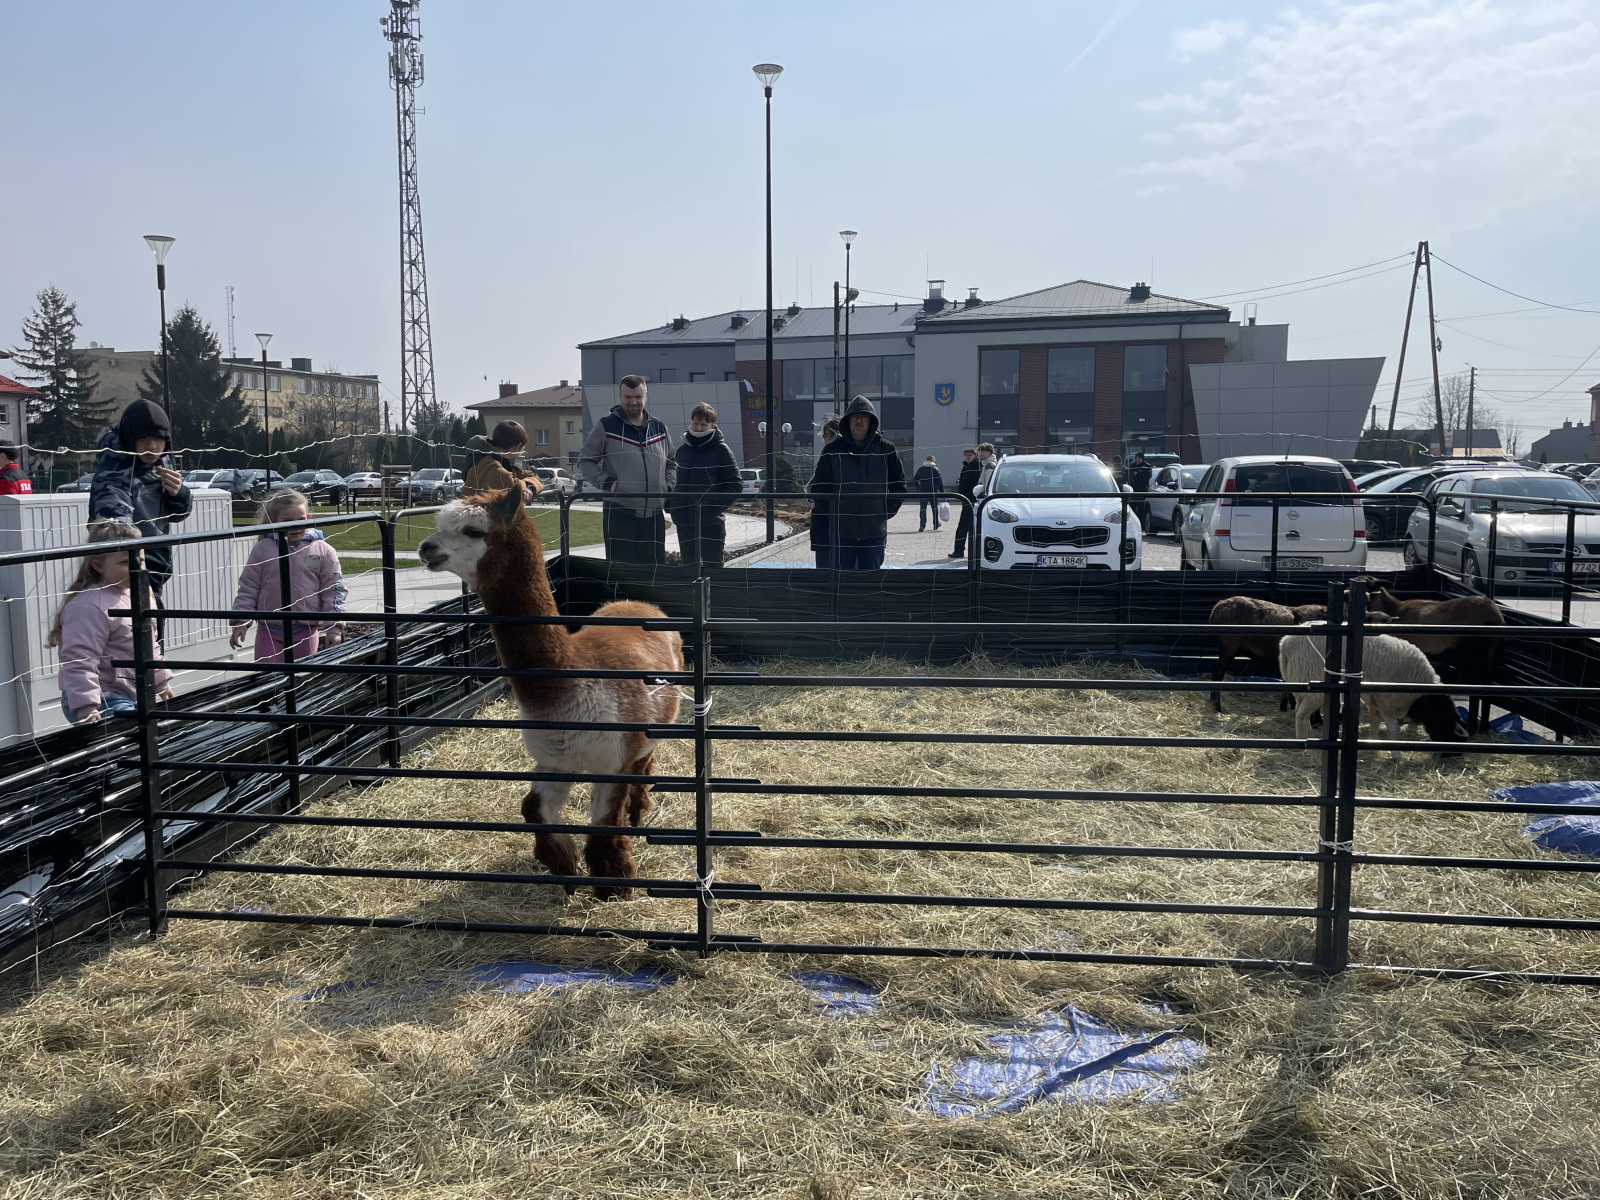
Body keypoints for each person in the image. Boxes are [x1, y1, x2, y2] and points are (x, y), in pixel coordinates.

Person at [49, 520, 174, 724]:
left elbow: (149, 645)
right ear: (98, 565)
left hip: (132, 692)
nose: (136, 566)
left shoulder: (140, 594)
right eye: (125, 562)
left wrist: (161, 683)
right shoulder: (89, 605)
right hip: (101, 697)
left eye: (141, 559)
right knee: (131, 733)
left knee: (149, 732)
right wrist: (87, 706)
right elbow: (79, 658)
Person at [89, 399, 192, 597]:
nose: (152, 446)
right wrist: (142, 582)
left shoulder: (162, 461)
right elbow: (117, 533)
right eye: (144, 438)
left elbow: (177, 515)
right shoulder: (114, 471)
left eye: (159, 438)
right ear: (130, 438)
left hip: (153, 573)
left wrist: (180, 494)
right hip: (125, 578)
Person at [230, 489, 346, 662]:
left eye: (300, 520)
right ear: (274, 521)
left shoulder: (323, 550)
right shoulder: (263, 549)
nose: (295, 526)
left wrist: (334, 628)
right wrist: (241, 622)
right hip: (269, 630)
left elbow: (334, 589)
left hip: (306, 630)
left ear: (308, 518)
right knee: (268, 675)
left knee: (301, 675)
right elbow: (249, 587)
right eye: (287, 521)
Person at [578, 375, 676, 565]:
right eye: (628, 397)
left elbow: (672, 462)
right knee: (621, 575)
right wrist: (607, 483)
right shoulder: (607, 426)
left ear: (645, 396)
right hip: (620, 514)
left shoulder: (659, 427)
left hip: (654, 516)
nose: (633, 402)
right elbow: (585, 461)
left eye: (638, 397)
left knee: (654, 574)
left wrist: (669, 487)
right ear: (620, 397)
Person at [808, 395, 906, 570]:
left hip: (874, 532)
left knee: (870, 581)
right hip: (841, 532)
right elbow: (820, 488)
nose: (859, 421)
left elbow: (899, 486)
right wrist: (833, 514)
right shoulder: (832, 450)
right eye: (855, 417)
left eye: (864, 417)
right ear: (848, 421)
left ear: (871, 421)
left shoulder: (886, 449)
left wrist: (883, 512)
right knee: (842, 580)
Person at [666, 402, 742, 572]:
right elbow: (673, 481)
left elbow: (735, 485)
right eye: (695, 423)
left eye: (703, 424)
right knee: (689, 569)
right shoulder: (682, 451)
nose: (698, 428)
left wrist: (712, 507)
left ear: (712, 426)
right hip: (684, 520)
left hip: (711, 523)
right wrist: (671, 503)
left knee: (713, 570)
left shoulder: (721, 450)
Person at [463, 419, 543, 502]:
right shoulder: (493, 468)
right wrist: (529, 487)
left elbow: (532, 476)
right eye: (522, 449)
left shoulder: (491, 461)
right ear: (517, 447)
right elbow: (516, 487)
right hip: (477, 510)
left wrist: (530, 486)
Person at [809, 417, 841, 568]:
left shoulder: (830, 453)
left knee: (825, 570)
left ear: (835, 434)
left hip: (827, 522)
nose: (824, 440)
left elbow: (818, 487)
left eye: (825, 435)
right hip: (827, 523)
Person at [948, 447, 980, 559]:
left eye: (970, 455)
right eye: (966, 455)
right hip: (965, 499)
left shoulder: (977, 466)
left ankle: (964, 550)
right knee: (964, 525)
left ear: (975, 455)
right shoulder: (966, 466)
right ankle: (959, 550)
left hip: (973, 500)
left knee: (968, 526)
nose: (968, 457)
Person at [911, 455, 945, 531]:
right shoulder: (935, 469)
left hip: (923, 492)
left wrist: (918, 487)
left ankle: (922, 525)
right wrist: (942, 491)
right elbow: (940, 482)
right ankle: (935, 524)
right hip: (933, 492)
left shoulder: (921, 469)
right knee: (934, 508)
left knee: (923, 508)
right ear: (933, 461)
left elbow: (915, 479)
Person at [1127, 451, 1153, 528]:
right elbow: (1128, 475)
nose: (1137, 460)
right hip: (1133, 490)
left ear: (1142, 459)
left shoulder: (1147, 466)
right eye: (1136, 458)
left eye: (1139, 458)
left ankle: (1142, 525)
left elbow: (1148, 476)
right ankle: (1132, 525)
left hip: (1142, 490)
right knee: (1132, 507)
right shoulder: (1132, 466)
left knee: (1141, 508)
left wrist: (1138, 474)